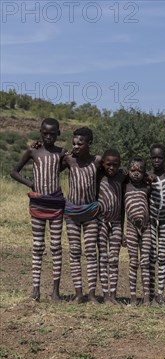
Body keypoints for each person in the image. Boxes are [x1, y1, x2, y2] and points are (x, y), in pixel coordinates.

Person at [11, 118, 66, 302]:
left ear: (58, 133)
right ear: (40, 132)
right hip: (37, 204)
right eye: (45, 133)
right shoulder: (33, 151)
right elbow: (14, 171)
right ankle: (35, 290)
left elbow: (70, 165)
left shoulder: (61, 153)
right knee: (37, 246)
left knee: (56, 247)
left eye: (52, 133)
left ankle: (55, 291)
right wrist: (31, 184)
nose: (49, 136)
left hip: (57, 205)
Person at [62, 127, 103, 303]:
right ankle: (79, 293)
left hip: (91, 213)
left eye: (80, 143)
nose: (76, 146)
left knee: (91, 252)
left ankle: (92, 293)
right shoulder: (69, 159)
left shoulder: (97, 161)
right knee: (74, 252)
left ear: (89, 144)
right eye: (74, 143)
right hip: (71, 213)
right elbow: (50, 166)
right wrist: (37, 146)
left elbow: (113, 169)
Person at [97, 148, 127, 304]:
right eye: (108, 164)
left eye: (116, 165)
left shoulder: (121, 178)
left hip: (116, 223)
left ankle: (113, 294)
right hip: (101, 222)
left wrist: (122, 229)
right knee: (102, 257)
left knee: (114, 258)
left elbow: (122, 206)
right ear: (103, 164)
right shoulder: (98, 176)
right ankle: (105, 293)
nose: (112, 168)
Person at [123, 157, 153, 305]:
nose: (136, 173)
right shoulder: (125, 187)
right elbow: (122, 211)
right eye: (133, 170)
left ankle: (147, 296)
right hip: (131, 228)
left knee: (145, 261)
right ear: (128, 171)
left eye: (140, 171)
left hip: (146, 227)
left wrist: (149, 178)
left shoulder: (147, 187)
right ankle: (133, 296)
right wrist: (123, 232)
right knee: (133, 262)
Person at [148, 144, 165, 305]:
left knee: (162, 257)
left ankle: (160, 293)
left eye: (160, 157)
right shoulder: (147, 175)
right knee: (151, 257)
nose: (157, 160)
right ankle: (150, 294)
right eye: (154, 157)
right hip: (151, 221)